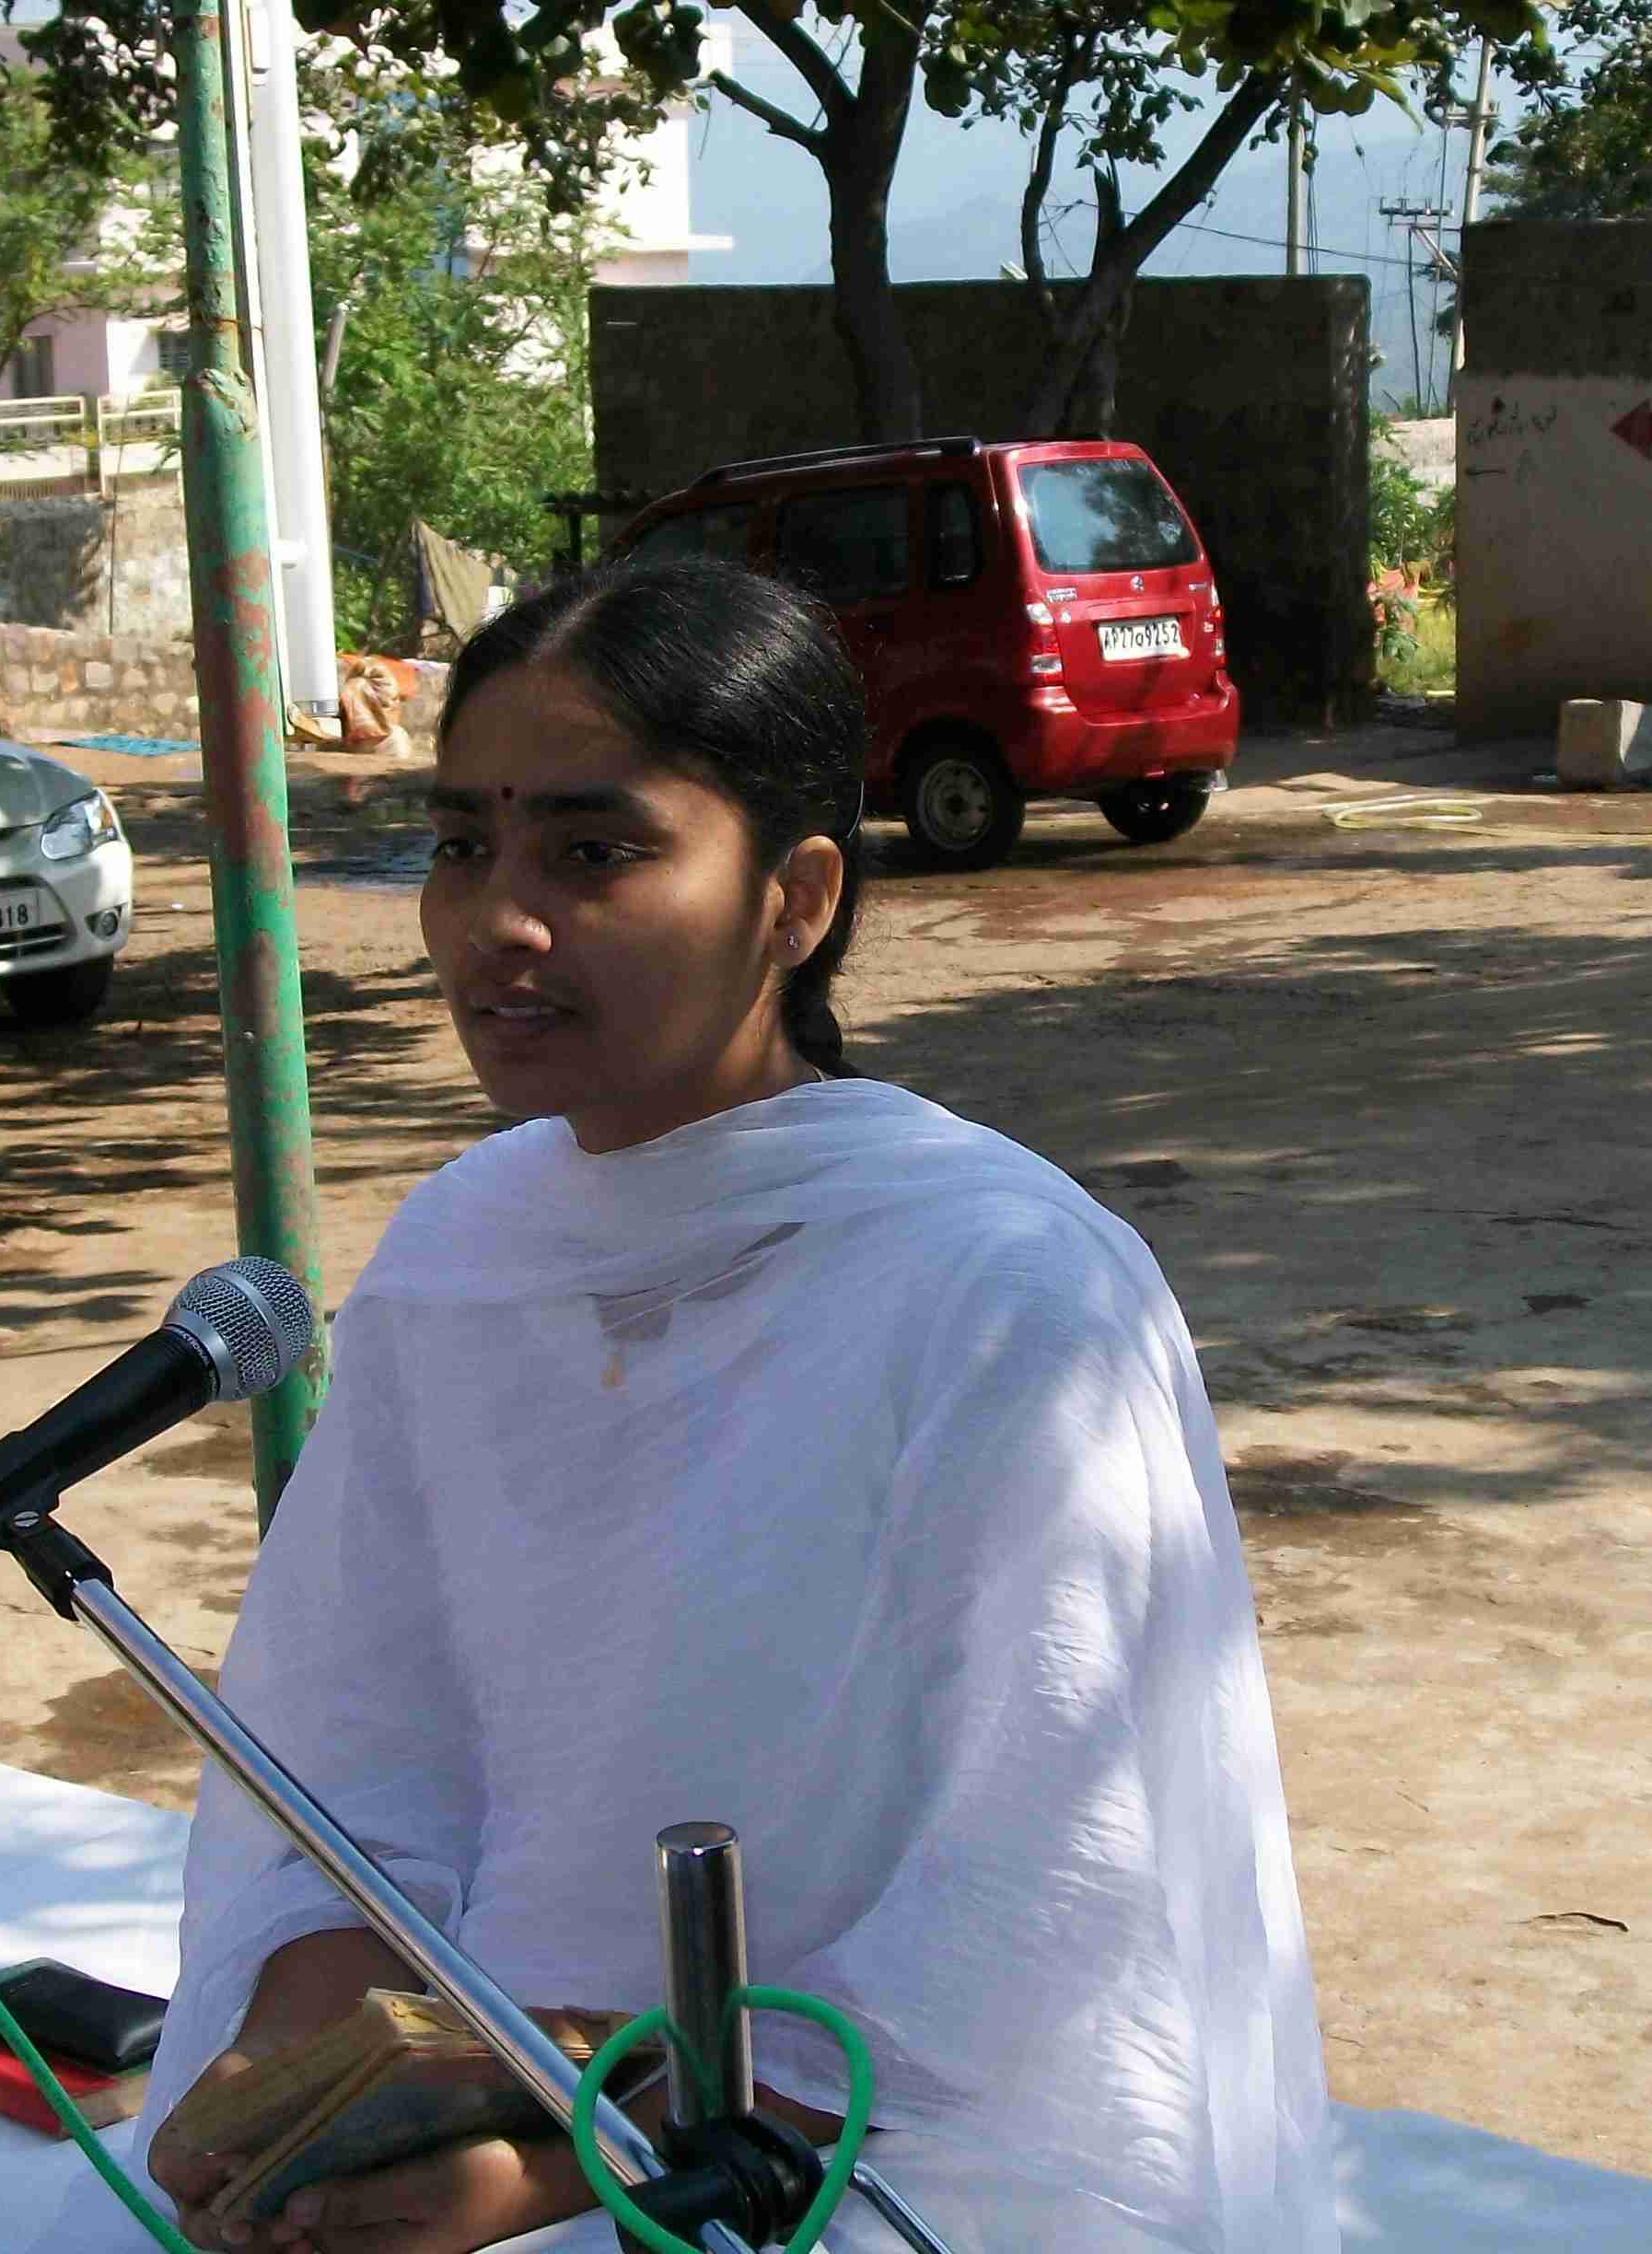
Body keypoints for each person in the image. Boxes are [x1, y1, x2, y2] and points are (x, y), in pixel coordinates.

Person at [120, 558, 1340, 2254]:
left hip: (876, 2155)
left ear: (794, 898)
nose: (498, 921)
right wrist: (294, 2077)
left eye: (590, 853)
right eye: (462, 845)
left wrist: (569, 2165)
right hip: (484, 2096)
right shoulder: (463, 1252)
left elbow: (1047, 1898)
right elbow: (353, 1759)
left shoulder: (1003, 1289)